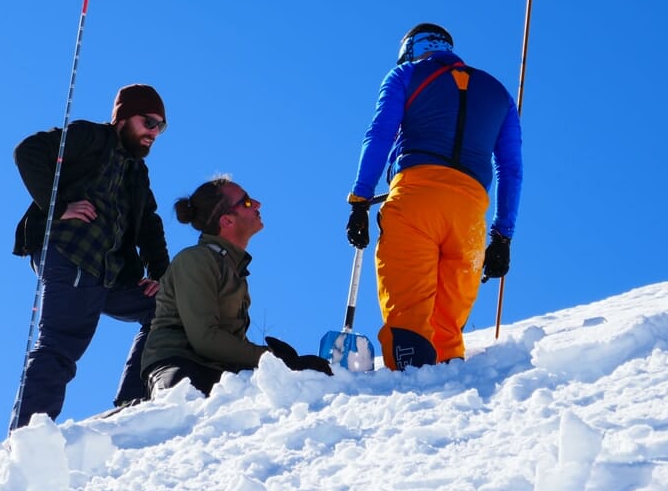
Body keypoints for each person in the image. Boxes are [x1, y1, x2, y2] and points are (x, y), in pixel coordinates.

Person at [346, 23, 523, 371]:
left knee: (409, 320)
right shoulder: (499, 94)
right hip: (470, 215)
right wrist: (502, 236)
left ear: (410, 50)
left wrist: (359, 199)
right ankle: (446, 402)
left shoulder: (405, 75)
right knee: (447, 331)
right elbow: (511, 169)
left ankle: (409, 403)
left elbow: (380, 134)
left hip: (416, 198)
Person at [11, 83, 170, 428]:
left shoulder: (137, 173)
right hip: (73, 255)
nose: (154, 132)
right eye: (148, 122)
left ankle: (134, 399)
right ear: (123, 118)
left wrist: (161, 277)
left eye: (161, 126)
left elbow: (149, 225)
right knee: (61, 344)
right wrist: (59, 206)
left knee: (166, 310)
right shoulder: (90, 137)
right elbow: (29, 151)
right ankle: (27, 437)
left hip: (109, 273)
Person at [140, 177, 332, 398]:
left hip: (220, 370)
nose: (257, 204)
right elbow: (206, 339)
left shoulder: (231, 267)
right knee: (179, 412)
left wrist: (291, 365)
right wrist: (271, 358)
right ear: (227, 221)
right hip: (181, 365)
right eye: (247, 203)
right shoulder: (195, 260)